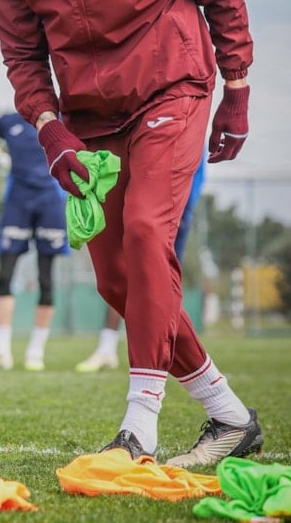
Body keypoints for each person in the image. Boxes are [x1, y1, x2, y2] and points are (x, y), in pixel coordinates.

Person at [0, 0, 261, 469]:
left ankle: (139, 427)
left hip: (172, 85)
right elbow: (21, 53)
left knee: (144, 231)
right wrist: (51, 130)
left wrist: (237, 89)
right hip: (89, 116)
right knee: (116, 282)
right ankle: (230, 415)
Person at [76, 153, 207, 373]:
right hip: (137, 206)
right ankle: (108, 348)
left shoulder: (187, 136)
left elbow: (193, 170)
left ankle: (169, 353)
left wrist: (182, 204)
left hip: (172, 209)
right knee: (120, 278)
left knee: (163, 282)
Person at [0, 111, 68, 372]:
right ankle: (0, 351)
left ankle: (36, 352)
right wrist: (0, 157)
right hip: (18, 201)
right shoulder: (8, 121)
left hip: (51, 200)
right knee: (5, 275)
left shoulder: (63, 119)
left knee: (46, 278)